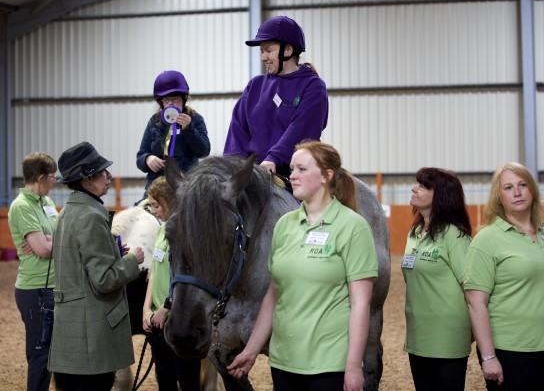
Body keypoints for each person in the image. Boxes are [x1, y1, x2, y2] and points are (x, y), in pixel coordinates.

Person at [227, 141, 377, 391]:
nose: (292, 176)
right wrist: (252, 349)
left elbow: (361, 304)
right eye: (292, 169)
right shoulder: (285, 225)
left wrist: (352, 366)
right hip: (283, 361)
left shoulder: (352, 226)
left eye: (301, 169)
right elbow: (274, 295)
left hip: (329, 364)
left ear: (326, 176)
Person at [463, 162, 544, 390]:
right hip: (511, 352)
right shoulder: (487, 239)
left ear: (533, 190)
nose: (516, 192)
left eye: (522, 185)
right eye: (508, 187)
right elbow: (475, 302)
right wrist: (488, 357)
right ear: (498, 197)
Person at [48, 141, 144, 391]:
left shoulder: (66, 213)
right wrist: (133, 260)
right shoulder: (91, 217)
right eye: (102, 171)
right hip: (92, 333)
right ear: (87, 179)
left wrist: (113, 253)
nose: (108, 176)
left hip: (70, 331)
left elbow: (78, 264)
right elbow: (104, 280)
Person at [223, 16, 329, 179]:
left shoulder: (313, 87)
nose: (263, 57)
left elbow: (302, 129)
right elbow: (237, 129)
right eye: (261, 51)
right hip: (254, 174)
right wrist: (234, 165)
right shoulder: (254, 86)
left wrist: (274, 158)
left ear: (288, 50)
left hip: (292, 172)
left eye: (268, 50)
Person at [402, 168, 472, 391]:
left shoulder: (455, 235)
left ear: (441, 195)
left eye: (423, 186)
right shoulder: (414, 233)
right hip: (417, 337)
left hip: (447, 337)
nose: (414, 188)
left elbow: (471, 287)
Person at [142, 176, 201, 390]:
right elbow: (154, 272)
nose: (154, 211)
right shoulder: (161, 230)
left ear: (170, 201)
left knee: (187, 381)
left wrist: (167, 307)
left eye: (156, 205)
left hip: (180, 320)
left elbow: (189, 277)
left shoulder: (189, 233)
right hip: (158, 320)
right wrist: (146, 308)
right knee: (164, 378)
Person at [8, 152, 59, 391]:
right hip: (35, 289)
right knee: (40, 355)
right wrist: (49, 242)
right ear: (40, 178)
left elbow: (54, 241)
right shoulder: (22, 206)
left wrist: (50, 240)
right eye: (52, 176)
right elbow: (43, 250)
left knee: (51, 353)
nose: (55, 181)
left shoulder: (46, 203)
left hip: (52, 286)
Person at [136, 70, 210, 192]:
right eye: (166, 100)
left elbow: (204, 151)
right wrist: (147, 159)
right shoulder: (154, 122)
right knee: (140, 208)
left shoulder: (195, 119)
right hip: (157, 187)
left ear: (183, 99)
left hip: (187, 186)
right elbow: (140, 156)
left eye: (175, 99)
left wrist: (189, 128)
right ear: (161, 102)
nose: (170, 104)